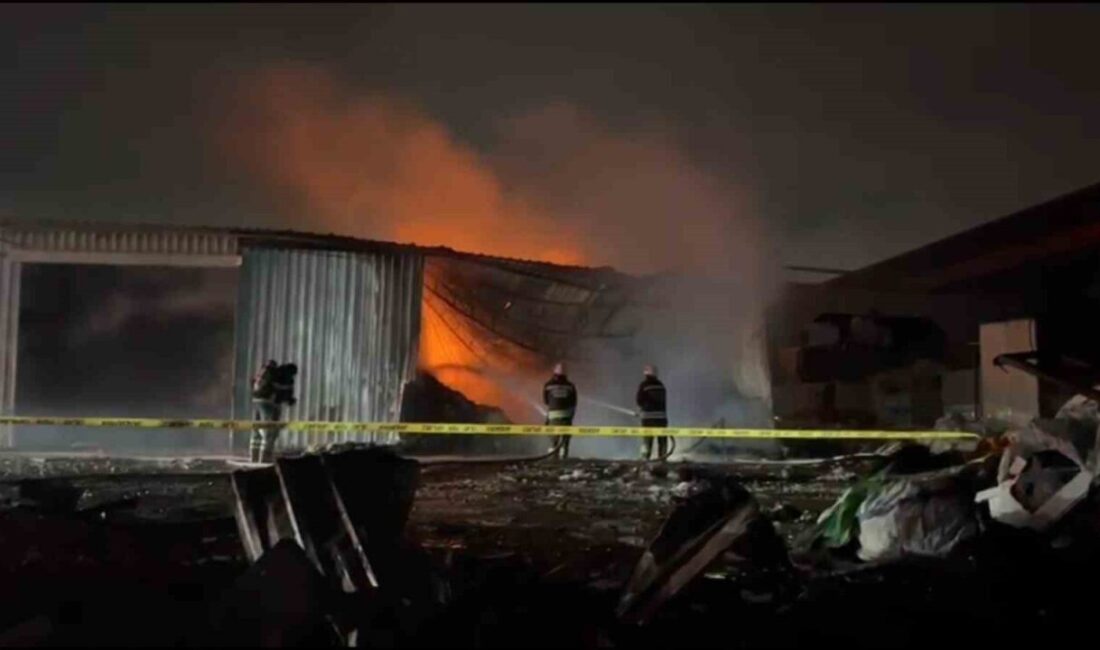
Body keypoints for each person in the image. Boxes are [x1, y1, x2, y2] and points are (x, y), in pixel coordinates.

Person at [250, 360, 298, 463]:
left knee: (256, 429)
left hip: (256, 401)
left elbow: (252, 382)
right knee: (270, 431)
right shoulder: (285, 376)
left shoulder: (264, 373)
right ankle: (265, 458)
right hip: (269, 403)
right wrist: (290, 400)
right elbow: (285, 394)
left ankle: (254, 457)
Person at [543, 361, 577, 459]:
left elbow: (546, 401)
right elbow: (573, 402)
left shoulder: (548, 385)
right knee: (565, 438)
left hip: (553, 415)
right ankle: (564, 453)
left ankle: (554, 452)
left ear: (554, 371)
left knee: (553, 437)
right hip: (567, 415)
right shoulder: (570, 386)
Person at [636, 365, 669, 460]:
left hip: (648, 418)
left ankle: (645, 458)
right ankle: (663, 458)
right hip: (662, 419)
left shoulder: (644, 385)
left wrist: (641, 410)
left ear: (646, 374)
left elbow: (639, 400)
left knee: (646, 440)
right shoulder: (661, 385)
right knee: (662, 440)